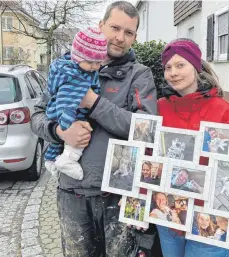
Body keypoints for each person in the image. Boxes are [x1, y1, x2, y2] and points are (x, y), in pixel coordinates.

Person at [30, 1, 158, 256]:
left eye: (129, 32)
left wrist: (94, 102)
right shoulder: (66, 67)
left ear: (135, 37)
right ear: (101, 26)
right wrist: (59, 132)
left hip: (120, 196)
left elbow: (147, 130)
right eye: (115, 28)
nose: (120, 37)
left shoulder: (140, 76)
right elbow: (37, 116)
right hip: (72, 192)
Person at [156, 38, 229, 257]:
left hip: (209, 215)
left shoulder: (222, 109)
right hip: (171, 211)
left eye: (180, 65)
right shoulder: (160, 107)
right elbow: (149, 153)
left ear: (196, 66)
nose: (173, 73)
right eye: (168, 67)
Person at [44, 27, 107, 180]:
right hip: (68, 114)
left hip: (63, 112)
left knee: (56, 144)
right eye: (90, 62)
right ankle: (68, 161)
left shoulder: (73, 69)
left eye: (98, 62)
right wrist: (68, 126)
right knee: (81, 137)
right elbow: (66, 102)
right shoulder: (75, 79)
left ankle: (50, 160)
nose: (94, 67)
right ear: (77, 57)